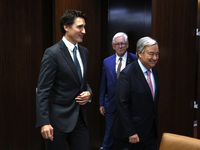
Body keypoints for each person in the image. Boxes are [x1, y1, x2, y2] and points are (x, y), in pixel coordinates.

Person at [36, 9, 92, 150]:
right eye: (80, 27)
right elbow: (42, 90)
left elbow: (83, 82)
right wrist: (44, 122)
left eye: (84, 27)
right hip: (56, 122)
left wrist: (89, 93)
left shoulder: (84, 52)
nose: (84, 31)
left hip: (79, 120)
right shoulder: (52, 53)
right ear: (66, 27)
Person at [111, 36, 160, 150]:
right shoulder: (127, 74)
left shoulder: (154, 71)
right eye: (151, 54)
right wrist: (130, 132)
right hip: (132, 135)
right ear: (140, 53)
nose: (155, 58)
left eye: (157, 54)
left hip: (150, 132)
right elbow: (121, 105)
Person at [99, 32, 137, 150]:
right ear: (113, 45)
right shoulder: (107, 61)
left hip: (128, 105)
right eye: (118, 44)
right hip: (111, 104)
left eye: (123, 44)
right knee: (109, 132)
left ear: (127, 45)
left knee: (128, 132)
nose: (120, 46)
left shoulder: (135, 59)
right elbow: (103, 83)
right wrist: (101, 103)